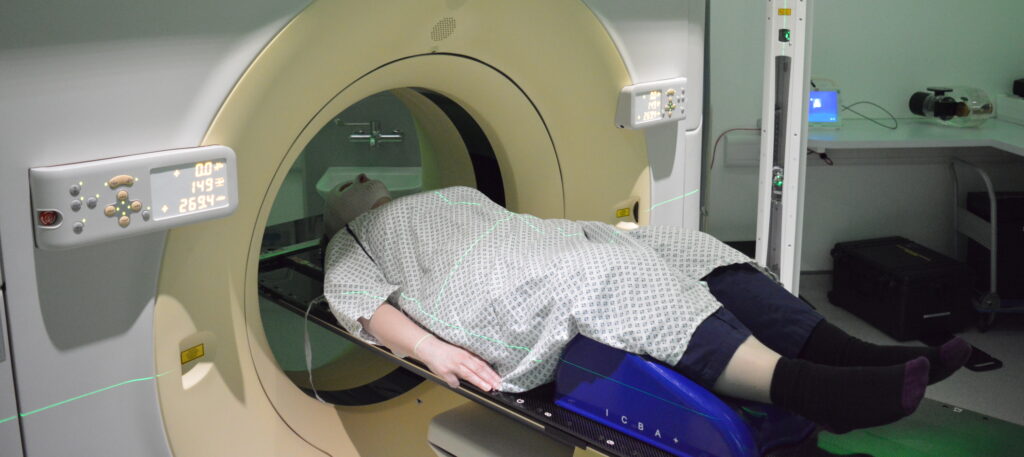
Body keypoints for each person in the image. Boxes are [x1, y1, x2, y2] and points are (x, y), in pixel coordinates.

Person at [322, 175, 971, 434]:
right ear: (343, 212)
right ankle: (808, 389)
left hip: (541, 240)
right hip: (494, 288)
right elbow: (357, 300)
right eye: (348, 186)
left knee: (687, 246)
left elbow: (511, 221)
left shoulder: (447, 191)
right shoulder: (354, 237)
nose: (359, 180)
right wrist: (434, 350)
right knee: (614, 271)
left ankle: (860, 356)